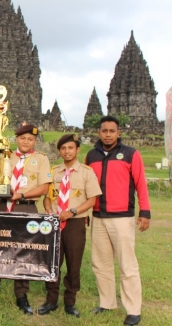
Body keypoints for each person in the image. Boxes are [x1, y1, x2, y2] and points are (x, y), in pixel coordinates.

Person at [0, 124, 51, 315]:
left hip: (26, 207)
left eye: (30, 139)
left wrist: (21, 196)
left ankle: (21, 295)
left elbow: (43, 188)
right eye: (23, 138)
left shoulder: (41, 160)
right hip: (2, 206)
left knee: (24, 251)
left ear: (35, 141)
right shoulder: (5, 157)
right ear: (16, 139)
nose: (26, 142)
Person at [85, 116, 150, 326]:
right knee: (100, 263)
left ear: (118, 133)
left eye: (112, 131)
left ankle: (133, 310)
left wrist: (145, 212)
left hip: (122, 216)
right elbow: (85, 186)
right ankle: (107, 302)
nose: (108, 134)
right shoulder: (91, 155)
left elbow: (141, 183)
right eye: (104, 131)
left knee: (127, 264)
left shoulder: (131, 154)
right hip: (97, 215)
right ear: (99, 133)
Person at [40, 134, 102, 317]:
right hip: (55, 223)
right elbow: (47, 197)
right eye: (63, 148)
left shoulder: (86, 172)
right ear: (59, 151)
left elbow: (92, 200)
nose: (67, 152)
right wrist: (48, 209)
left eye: (70, 148)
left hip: (75, 223)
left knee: (74, 263)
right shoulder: (53, 171)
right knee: (52, 262)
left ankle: (70, 301)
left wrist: (73, 211)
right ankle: (51, 300)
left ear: (77, 150)